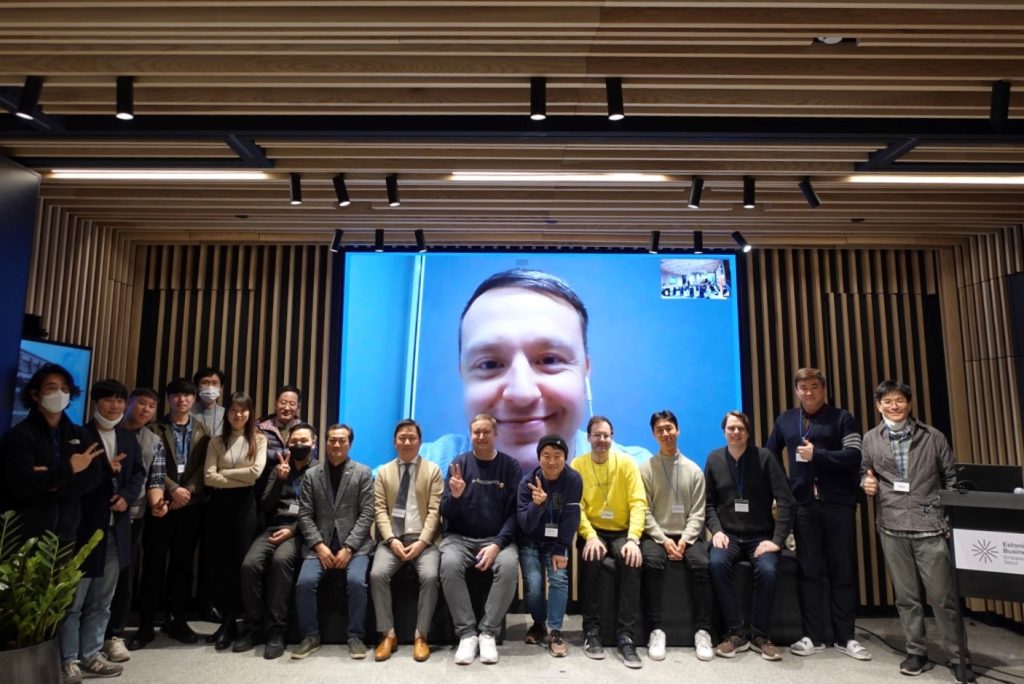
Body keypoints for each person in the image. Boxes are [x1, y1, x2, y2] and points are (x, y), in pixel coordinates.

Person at [420, 269, 650, 472]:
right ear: (464, 375)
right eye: (489, 364)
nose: (522, 394)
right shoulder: (421, 470)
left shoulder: (640, 475)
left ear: (585, 370)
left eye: (550, 360)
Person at [861, 380, 974, 680]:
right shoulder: (870, 439)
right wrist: (866, 484)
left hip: (930, 526)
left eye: (899, 400)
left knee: (943, 598)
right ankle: (916, 652)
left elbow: (951, 479)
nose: (894, 405)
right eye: (887, 401)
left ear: (909, 404)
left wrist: (948, 521)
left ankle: (958, 656)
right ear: (878, 405)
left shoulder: (933, 436)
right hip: (891, 525)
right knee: (907, 597)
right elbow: (866, 473)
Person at [765, 368, 870, 661]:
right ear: (796, 391)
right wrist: (785, 486)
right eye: (803, 387)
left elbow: (854, 456)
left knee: (843, 571)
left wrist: (819, 456)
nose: (808, 392)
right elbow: (770, 452)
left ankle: (846, 637)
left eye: (814, 386)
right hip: (804, 506)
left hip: (838, 503)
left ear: (823, 389)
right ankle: (812, 636)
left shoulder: (842, 418)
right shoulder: (786, 419)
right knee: (809, 571)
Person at [60, 380, 144, 682]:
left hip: (116, 529)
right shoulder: (78, 436)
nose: (115, 406)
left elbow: (138, 473)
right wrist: (105, 469)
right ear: (96, 402)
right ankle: (68, 658)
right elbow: (72, 482)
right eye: (109, 400)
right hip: (84, 530)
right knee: (74, 602)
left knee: (102, 600)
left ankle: (92, 654)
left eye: (120, 401)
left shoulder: (127, 437)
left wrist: (127, 497)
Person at [129, 377, 212, 650]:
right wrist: (173, 489)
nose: (183, 400)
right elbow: (150, 465)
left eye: (188, 395)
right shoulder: (153, 427)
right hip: (160, 504)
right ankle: (146, 625)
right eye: (177, 395)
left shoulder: (202, 429)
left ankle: (178, 620)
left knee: (183, 566)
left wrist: (187, 490)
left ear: (194, 399)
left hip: (190, 506)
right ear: (169, 399)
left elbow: (204, 467)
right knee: (153, 565)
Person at [706, 410, 794, 661]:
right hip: (729, 536)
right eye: (731, 428)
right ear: (724, 431)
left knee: (767, 571)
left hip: (760, 536)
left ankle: (760, 635)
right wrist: (717, 531)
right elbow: (708, 503)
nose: (735, 433)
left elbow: (786, 501)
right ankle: (735, 633)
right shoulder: (714, 459)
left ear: (748, 432)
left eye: (740, 429)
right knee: (716, 563)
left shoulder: (765, 458)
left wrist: (776, 541)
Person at [439, 414, 522, 665]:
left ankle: (487, 631)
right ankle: (467, 633)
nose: (481, 437)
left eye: (486, 432)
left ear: (496, 435)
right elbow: (446, 512)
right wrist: (454, 496)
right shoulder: (458, 464)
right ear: (470, 434)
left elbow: (515, 515)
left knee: (508, 567)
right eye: (477, 432)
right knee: (449, 564)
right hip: (459, 539)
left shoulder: (510, 467)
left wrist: (497, 544)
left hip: (497, 539)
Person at [571, 416, 647, 669]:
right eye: (597, 435)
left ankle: (626, 636)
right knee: (591, 558)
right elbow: (576, 507)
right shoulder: (578, 464)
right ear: (588, 437)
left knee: (631, 560)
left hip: (623, 531)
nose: (601, 440)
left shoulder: (627, 463)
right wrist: (589, 535)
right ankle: (591, 632)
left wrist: (634, 539)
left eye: (606, 435)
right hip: (593, 530)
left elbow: (638, 503)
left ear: (611, 437)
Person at [236, 422, 317, 659]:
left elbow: (318, 512)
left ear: (313, 444)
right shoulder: (278, 469)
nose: (299, 445)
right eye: (295, 441)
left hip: (299, 531)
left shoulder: (318, 471)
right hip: (272, 527)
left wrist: (292, 531)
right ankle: (254, 627)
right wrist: (280, 480)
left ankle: (276, 632)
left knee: (281, 563)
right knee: (249, 566)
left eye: (304, 441)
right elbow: (266, 505)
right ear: (288, 443)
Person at [292, 424, 373, 660]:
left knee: (357, 582)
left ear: (350, 444)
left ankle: (356, 636)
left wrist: (349, 547)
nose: (336, 445)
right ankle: (310, 636)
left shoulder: (363, 472)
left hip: (355, 547)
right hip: (320, 546)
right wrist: (319, 545)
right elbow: (305, 515)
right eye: (332, 440)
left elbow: (367, 513)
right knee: (304, 583)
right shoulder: (311, 475)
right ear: (325, 443)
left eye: (342, 441)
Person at [640, 410, 715, 662]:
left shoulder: (693, 469)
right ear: (653, 434)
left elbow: (698, 512)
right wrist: (662, 539)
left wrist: (685, 540)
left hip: (687, 536)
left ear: (678, 430)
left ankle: (703, 631)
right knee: (651, 563)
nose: (665, 434)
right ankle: (656, 629)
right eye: (660, 430)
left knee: (703, 564)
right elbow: (644, 511)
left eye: (669, 428)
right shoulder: (645, 469)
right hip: (657, 535)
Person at [0, 363, 104, 543]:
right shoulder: (20, 435)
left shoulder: (79, 433)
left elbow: (93, 476)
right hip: (25, 534)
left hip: (65, 533)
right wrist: (69, 470)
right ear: (35, 394)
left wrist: (51, 482)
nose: (60, 393)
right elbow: (21, 482)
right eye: (51, 388)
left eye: (65, 389)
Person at [370, 419, 443, 663]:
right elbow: (379, 509)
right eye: (402, 438)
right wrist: (391, 539)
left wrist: (422, 542)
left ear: (420, 442)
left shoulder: (432, 470)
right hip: (393, 540)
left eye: (412, 437)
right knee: (377, 574)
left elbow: (435, 511)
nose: (407, 442)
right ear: (394, 442)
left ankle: (421, 635)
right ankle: (387, 634)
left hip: (424, 540)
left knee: (431, 576)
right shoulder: (383, 471)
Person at [103, 387, 163, 663]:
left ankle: (114, 634)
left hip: (134, 516)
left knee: (124, 576)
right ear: (128, 404)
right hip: (96, 513)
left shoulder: (153, 440)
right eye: (142, 404)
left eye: (152, 407)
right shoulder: (105, 431)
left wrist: (157, 503)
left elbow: (154, 478)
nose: (146, 410)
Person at [203, 392, 267, 650]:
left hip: (246, 507)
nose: (238, 415)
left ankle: (242, 621)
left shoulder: (259, 440)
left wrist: (224, 472)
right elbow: (208, 477)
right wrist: (230, 476)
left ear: (250, 413)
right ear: (226, 412)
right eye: (233, 410)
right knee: (222, 565)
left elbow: (255, 474)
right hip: (219, 508)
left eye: (243, 410)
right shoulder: (216, 441)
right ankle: (227, 622)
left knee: (242, 565)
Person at [516, 433, 582, 658]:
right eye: (546, 456)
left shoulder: (573, 480)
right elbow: (524, 524)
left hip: (556, 542)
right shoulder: (527, 483)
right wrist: (537, 505)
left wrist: (562, 548)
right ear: (538, 458)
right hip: (531, 540)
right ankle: (538, 624)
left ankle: (555, 631)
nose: (552, 461)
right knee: (533, 584)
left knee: (559, 579)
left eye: (557, 456)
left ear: (566, 457)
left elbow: (572, 516)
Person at [255, 385, 303, 502]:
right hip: (263, 485)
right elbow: (254, 453)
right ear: (276, 403)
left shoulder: (304, 429)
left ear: (298, 407)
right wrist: (287, 453)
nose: (287, 407)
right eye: (283, 402)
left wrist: (273, 454)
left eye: (292, 404)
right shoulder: (259, 426)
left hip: (294, 486)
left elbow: (310, 452)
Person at [191, 366, 226, 435]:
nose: (210, 387)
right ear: (197, 387)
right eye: (205, 383)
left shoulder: (227, 414)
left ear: (221, 388)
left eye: (214, 383)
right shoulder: (187, 413)